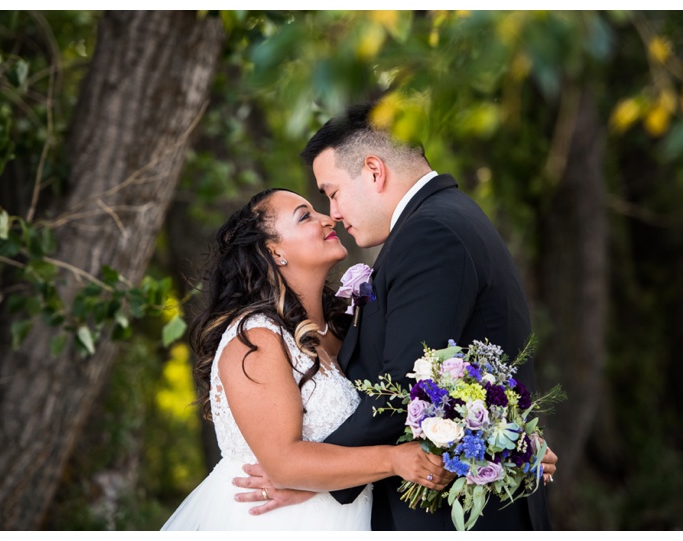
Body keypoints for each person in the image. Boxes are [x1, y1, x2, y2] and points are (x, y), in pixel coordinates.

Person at [234, 102, 557, 530]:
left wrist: (315, 479)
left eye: (332, 192)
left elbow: (400, 388)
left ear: (373, 170)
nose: (333, 212)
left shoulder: (430, 234)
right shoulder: (443, 220)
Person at [160, 188, 454, 530]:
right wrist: (393, 460)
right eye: (305, 216)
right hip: (276, 522)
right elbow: (283, 464)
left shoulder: (344, 328)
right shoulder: (255, 339)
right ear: (275, 251)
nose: (328, 218)